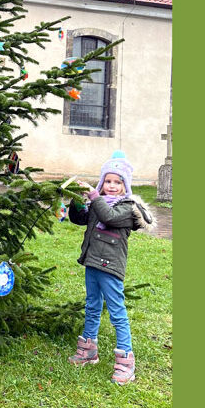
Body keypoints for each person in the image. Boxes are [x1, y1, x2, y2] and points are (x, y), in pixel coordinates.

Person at [66, 151, 154, 385]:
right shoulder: (98, 202)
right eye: (108, 181)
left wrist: (95, 196)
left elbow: (110, 217)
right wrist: (75, 200)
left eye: (118, 182)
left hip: (110, 267)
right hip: (92, 262)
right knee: (92, 305)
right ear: (102, 181)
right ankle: (88, 350)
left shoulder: (128, 207)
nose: (112, 186)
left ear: (126, 186)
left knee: (117, 313)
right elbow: (80, 218)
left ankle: (126, 360)